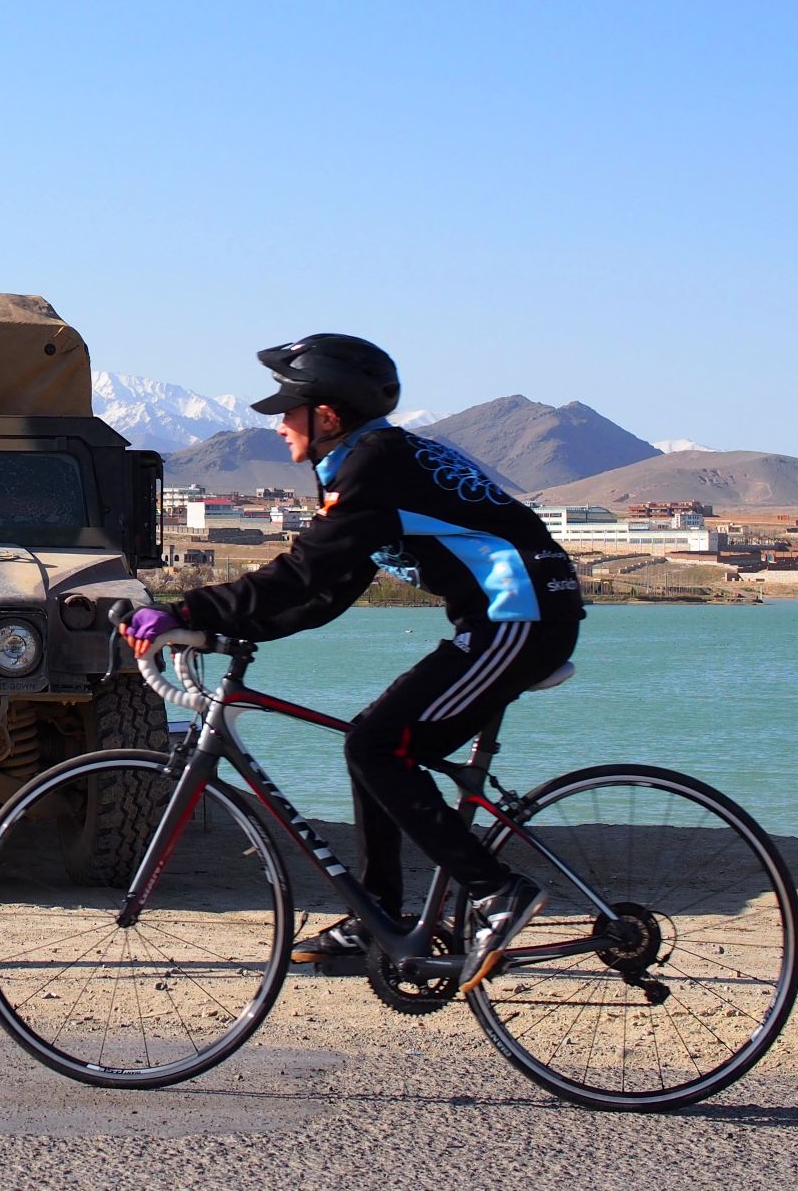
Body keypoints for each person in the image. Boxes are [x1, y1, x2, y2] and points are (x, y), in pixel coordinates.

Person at [122, 335, 585, 992]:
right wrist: (227, 629)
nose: (278, 423)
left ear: (329, 415)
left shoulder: (372, 466)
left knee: (377, 746)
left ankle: (498, 893)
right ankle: (379, 915)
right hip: (506, 621)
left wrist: (188, 613)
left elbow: (305, 572)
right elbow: (325, 594)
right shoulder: (370, 462)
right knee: (373, 744)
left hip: (520, 620)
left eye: (290, 409)